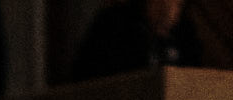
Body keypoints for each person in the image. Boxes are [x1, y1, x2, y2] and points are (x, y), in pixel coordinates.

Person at [70, 0, 203, 78]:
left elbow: (195, 78)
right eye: (164, 2)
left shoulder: (185, 34)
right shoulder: (113, 25)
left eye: (178, 4)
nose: (171, 13)